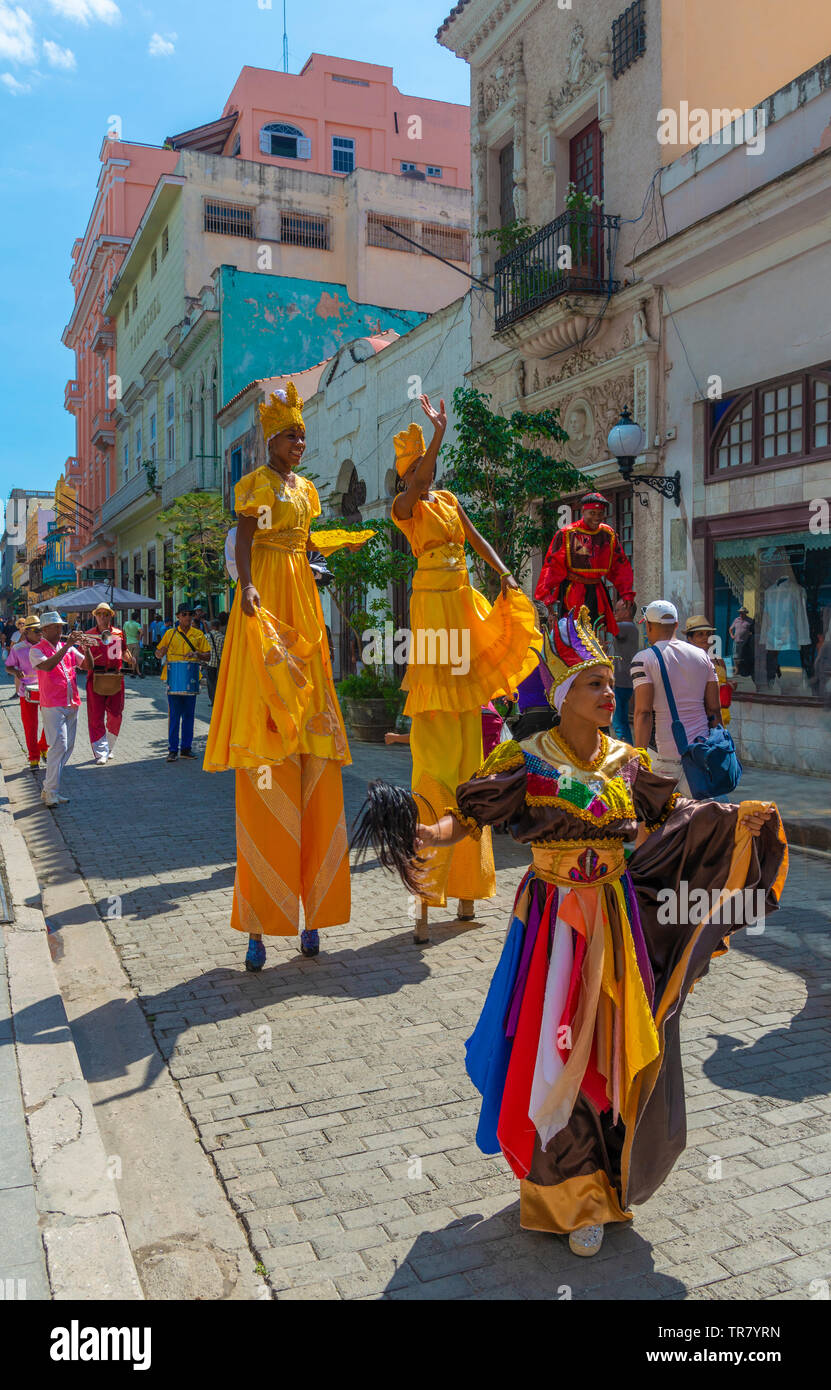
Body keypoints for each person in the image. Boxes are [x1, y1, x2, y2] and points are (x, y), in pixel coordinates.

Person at [412, 606, 786, 1255]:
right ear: (562, 696)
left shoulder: (627, 762)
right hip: (554, 926)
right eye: (592, 682)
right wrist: (431, 834)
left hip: (614, 923)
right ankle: (566, 1194)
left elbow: (673, 817)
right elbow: (468, 816)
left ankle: (605, 1185)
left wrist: (736, 821)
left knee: (611, 1052)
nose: (607, 693)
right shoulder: (526, 760)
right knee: (561, 1054)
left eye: (609, 681)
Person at [203, 381, 371, 967]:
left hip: (300, 590)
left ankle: (313, 917)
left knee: (315, 758)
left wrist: (328, 554)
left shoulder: (305, 491)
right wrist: (246, 585)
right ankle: (258, 923)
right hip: (266, 590)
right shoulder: (255, 487)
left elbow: (303, 544)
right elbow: (245, 541)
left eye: (302, 434)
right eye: (289, 435)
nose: (299, 443)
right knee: (267, 738)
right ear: (269, 440)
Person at [391, 394, 540, 939]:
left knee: (469, 765)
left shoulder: (449, 500)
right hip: (432, 610)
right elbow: (420, 480)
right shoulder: (405, 508)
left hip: (460, 599)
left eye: (424, 469)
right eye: (415, 471)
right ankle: (426, 897)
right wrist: (438, 434)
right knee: (432, 771)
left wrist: (506, 575)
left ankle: (468, 893)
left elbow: (476, 539)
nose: (424, 476)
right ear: (407, 476)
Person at [630, 600, 721, 796]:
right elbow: (713, 709)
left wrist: (639, 756)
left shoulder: (644, 659)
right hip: (701, 752)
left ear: (649, 625)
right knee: (701, 819)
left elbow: (644, 712)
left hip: (666, 757)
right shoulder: (703, 656)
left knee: (662, 821)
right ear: (677, 625)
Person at [535, 493, 635, 637]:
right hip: (573, 591)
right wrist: (546, 596)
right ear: (583, 512)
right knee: (574, 632)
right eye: (592, 513)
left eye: (600, 513)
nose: (596, 517)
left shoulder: (608, 534)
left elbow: (620, 565)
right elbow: (551, 566)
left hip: (596, 590)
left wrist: (626, 592)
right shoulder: (567, 533)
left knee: (597, 632)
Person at [28, 612, 93, 807]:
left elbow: (89, 665)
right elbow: (47, 666)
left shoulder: (70, 650)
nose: (61, 630)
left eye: (61, 626)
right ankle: (50, 792)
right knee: (59, 746)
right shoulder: (37, 650)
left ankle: (49, 788)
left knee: (68, 747)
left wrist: (87, 648)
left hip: (71, 702)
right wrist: (67, 646)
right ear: (45, 630)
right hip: (53, 705)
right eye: (56, 627)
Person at [156, 604, 210, 761]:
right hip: (173, 680)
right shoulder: (170, 634)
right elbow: (159, 652)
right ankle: (172, 750)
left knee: (189, 716)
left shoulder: (198, 634)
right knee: (174, 716)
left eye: (190, 614)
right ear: (178, 616)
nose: (187, 617)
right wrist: (160, 653)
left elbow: (208, 655)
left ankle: (186, 749)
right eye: (184, 614)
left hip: (191, 679)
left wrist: (197, 654)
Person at [85, 601, 135, 764]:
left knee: (116, 715)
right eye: (99, 614)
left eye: (106, 614)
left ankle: (109, 747)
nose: (102, 617)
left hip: (115, 677)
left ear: (110, 616)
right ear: (95, 616)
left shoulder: (119, 633)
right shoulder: (89, 634)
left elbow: (124, 651)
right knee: (95, 716)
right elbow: (81, 658)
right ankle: (101, 752)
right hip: (95, 678)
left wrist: (131, 659)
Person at [5, 615, 49, 769]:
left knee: (51, 723)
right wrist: (16, 672)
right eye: (37, 631)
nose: (40, 634)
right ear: (27, 632)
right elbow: (8, 666)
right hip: (26, 691)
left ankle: (43, 746)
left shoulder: (47, 645)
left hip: (47, 690)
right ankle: (34, 757)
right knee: (30, 726)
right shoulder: (17, 648)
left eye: (41, 631)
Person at [684, 614, 734, 726]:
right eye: (700, 634)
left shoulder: (718, 660)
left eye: (708, 634)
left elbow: (724, 683)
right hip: (699, 719)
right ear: (690, 638)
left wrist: (729, 686)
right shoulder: (687, 661)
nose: (705, 638)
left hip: (721, 717)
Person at [611, 598, 639, 742]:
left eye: (617, 610)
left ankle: (625, 746)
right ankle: (628, 744)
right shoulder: (631, 627)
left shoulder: (625, 626)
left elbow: (611, 627)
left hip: (621, 679)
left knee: (618, 721)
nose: (614, 613)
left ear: (627, 611)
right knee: (622, 718)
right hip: (626, 679)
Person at [205, 617, 226, 705]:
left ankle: (213, 701)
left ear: (212, 626)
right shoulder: (223, 637)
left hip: (209, 663)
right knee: (219, 683)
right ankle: (220, 700)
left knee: (211, 683)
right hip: (220, 663)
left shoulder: (206, 636)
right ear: (219, 626)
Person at [122, 611, 143, 678]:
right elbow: (142, 632)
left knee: (130, 658)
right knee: (134, 658)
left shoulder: (126, 623)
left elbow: (123, 632)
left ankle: (135, 671)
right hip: (135, 642)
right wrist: (139, 638)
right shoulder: (137, 624)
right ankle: (133, 672)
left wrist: (125, 639)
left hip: (128, 642)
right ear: (137, 618)